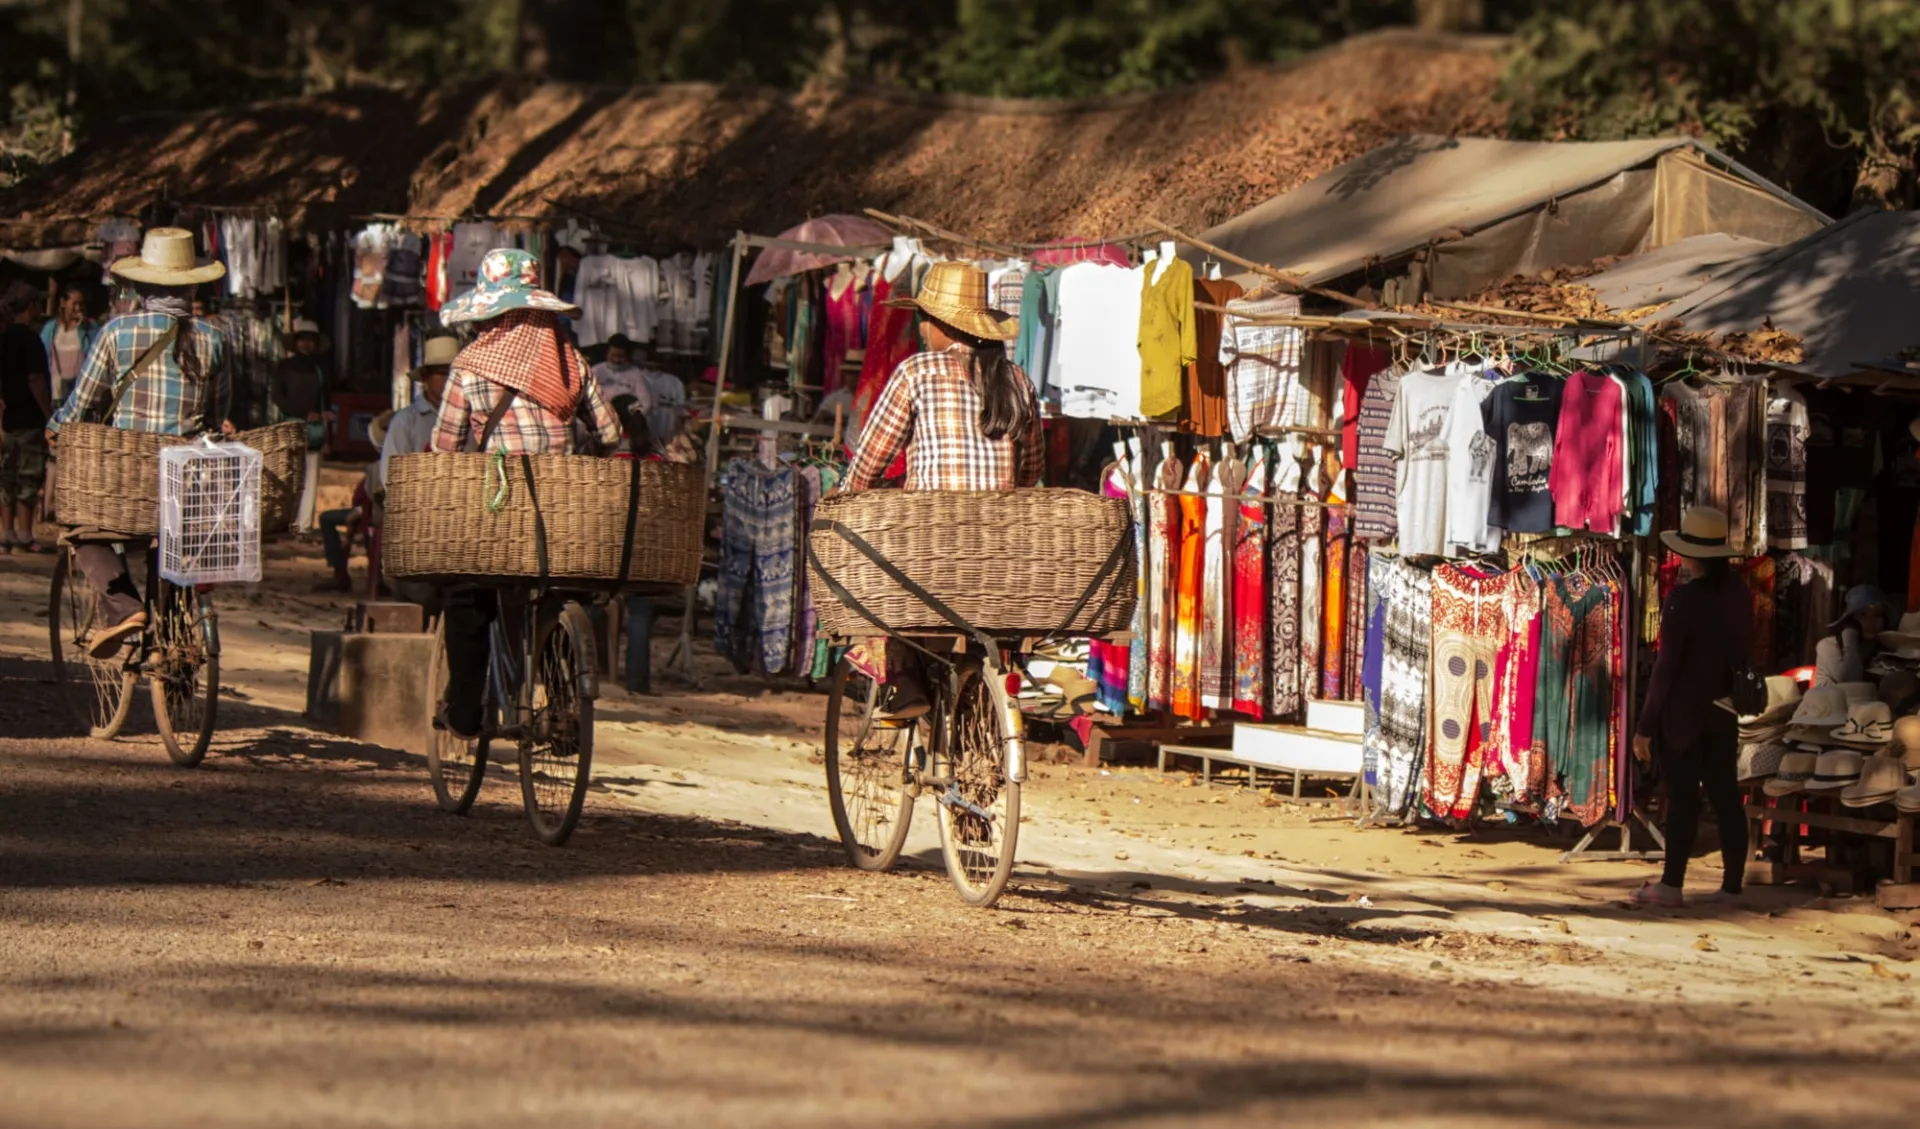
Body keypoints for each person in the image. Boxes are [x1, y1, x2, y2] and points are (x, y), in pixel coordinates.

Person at [431, 249, 621, 740]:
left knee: (466, 595)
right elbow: (610, 434)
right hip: (564, 513)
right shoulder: (570, 362)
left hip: (499, 512)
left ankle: (467, 709)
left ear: (492, 315)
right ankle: (562, 703)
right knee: (560, 589)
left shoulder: (470, 367)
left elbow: (444, 448)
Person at [839, 261, 1042, 719]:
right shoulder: (1019, 381)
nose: (921, 328)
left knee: (876, 571)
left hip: (933, 548)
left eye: (924, 320)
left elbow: (869, 461)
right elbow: (1030, 472)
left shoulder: (918, 372)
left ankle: (904, 676)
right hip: (999, 554)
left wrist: (847, 496)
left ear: (942, 326)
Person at [45, 228, 232, 658]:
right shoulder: (214, 338)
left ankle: (126, 608)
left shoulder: (117, 331)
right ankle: (176, 643)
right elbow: (219, 412)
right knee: (170, 543)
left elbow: (83, 400)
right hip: (188, 475)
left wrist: (56, 425)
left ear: (143, 285)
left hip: (127, 475)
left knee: (82, 532)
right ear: (190, 285)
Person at [1632, 506, 1754, 907]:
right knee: (1725, 796)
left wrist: (1645, 726)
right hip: (1724, 709)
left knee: (1683, 798)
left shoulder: (1683, 600)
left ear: (1692, 555)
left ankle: (1671, 885)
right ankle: (1732, 886)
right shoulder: (1739, 594)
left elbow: (1667, 667)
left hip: (1684, 714)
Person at [0, 280, 52, 552]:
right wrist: (48, 413)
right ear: (31, 306)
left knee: (7, 475)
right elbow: (36, 380)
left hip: (8, 418)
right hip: (29, 419)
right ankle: (24, 534)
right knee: (29, 476)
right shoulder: (31, 339)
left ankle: (6, 533)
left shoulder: (5, 338)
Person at [272, 317, 331, 531]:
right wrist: (302, 414)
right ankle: (285, 521)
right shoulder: (284, 367)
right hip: (289, 428)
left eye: (310, 341)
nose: (306, 345)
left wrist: (326, 431)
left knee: (311, 479)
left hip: (314, 433)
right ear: (296, 343)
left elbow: (326, 401)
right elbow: (277, 397)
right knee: (288, 477)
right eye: (303, 340)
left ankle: (303, 526)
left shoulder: (321, 370)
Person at [1815, 584, 1896, 685]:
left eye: (1877, 615)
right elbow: (1850, 680)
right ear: (1852, 619)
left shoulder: (1882, 651)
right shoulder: (1828, 645)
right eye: (1863, 614)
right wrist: (1850, 637)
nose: (1871, 621)